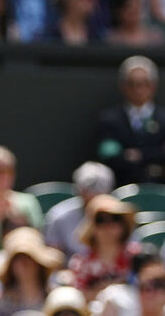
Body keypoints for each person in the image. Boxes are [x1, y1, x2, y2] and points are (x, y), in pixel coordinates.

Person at [96, 55, 165, 185]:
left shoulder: (163, 118)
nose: (138, 90)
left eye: (144, 84)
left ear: (153, 86)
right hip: (122, 187)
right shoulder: (110, 119)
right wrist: (153, 154)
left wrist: (139, 155)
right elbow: (109, 155)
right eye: (132, 84)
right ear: (123, 86)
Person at [68, 194, 138, 301]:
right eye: (101, 220)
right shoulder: (81, 262)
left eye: (115, 219)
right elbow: (77, 299)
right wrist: (102, 291)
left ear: (123, 225)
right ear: (92, 227)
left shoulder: (136, 256)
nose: (108, 226)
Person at [44, 161, 115, 260]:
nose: (92, 198)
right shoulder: (58, 216)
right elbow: (51, 258)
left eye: (99, 192)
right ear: (79, 191)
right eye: (86, 191)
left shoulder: (121, 217)